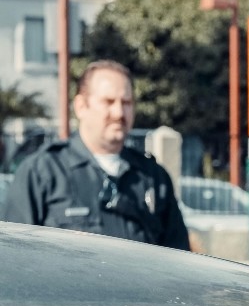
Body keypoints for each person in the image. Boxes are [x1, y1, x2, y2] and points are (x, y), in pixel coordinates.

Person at [1, 61, 190, 250]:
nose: (118, 113)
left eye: (126, 103)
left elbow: (177, 257)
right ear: (81, 106)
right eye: (108, 102)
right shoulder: (42, 173)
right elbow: (15, 255)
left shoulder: (153, 178)